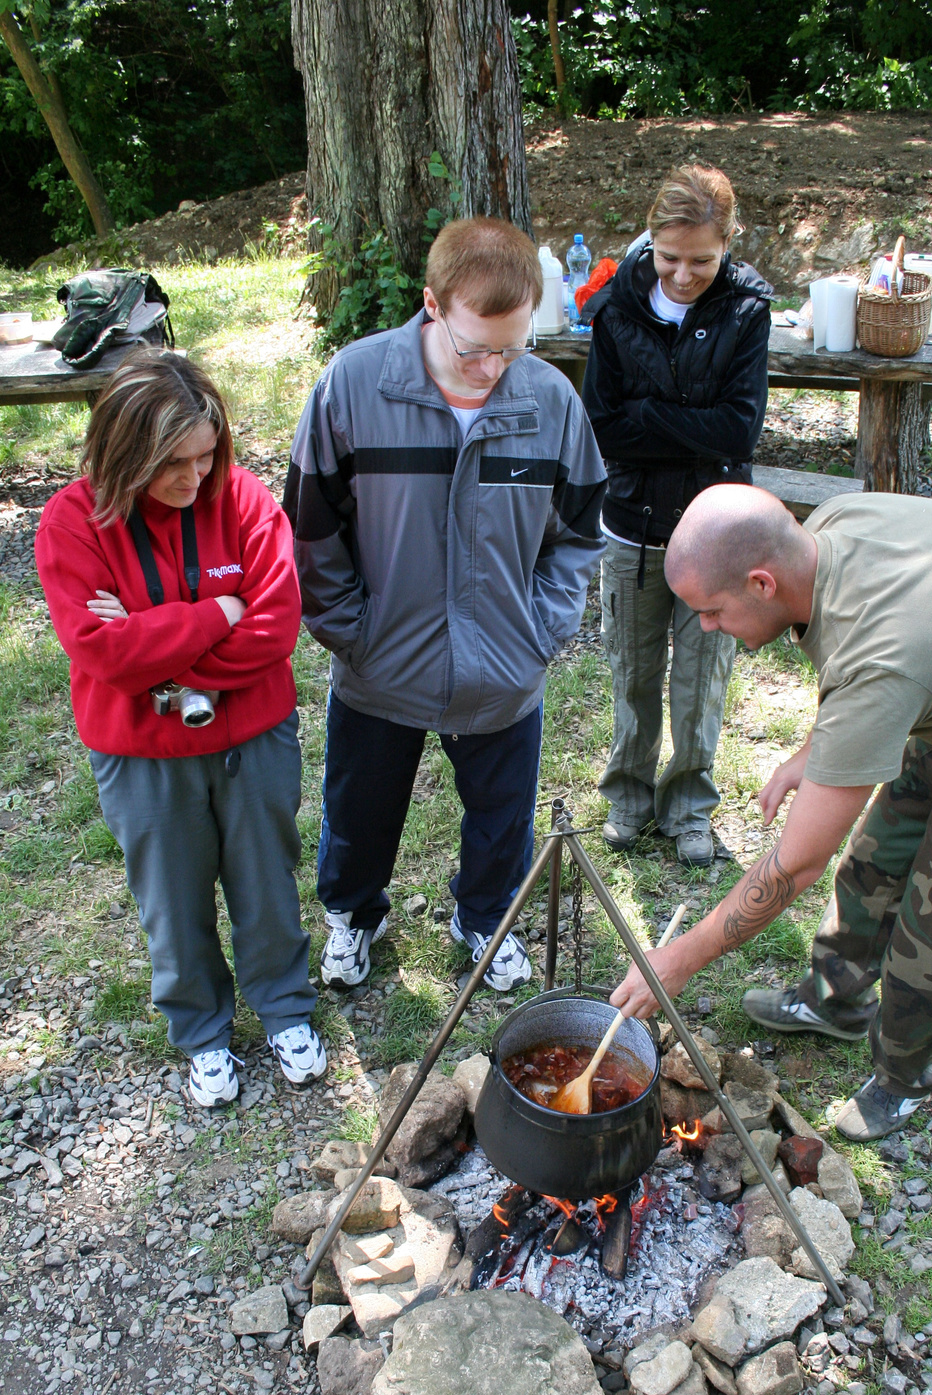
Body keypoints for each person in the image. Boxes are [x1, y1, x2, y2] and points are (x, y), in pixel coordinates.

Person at [610, 483, 932, 1141]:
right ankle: (836, 1001)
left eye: (710, 612)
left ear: (762, 583)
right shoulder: (829, 527)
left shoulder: (884, 665)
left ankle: (905, 1079)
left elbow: (794, 865)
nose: (705, 628)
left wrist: (680, 956)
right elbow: (853, 669)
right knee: (872, 865)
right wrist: (811, 751)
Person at [284, 217, 606, 993]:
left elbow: (578, 533)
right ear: (432, 306)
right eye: (475, 347)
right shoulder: (354, 386)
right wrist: (348, 631)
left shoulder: (551, 402)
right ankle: (354, 918)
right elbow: (310, 525)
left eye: (513, 345)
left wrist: (539, 631)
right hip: (379, 664)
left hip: (503, 668)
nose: (494, 367)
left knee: (503, 822)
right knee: (359, 814)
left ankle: (486, 920)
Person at [36, 350, 324, 1110]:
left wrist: (153, 642)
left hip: (252, 737)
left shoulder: (243, 500)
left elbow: (275, 625)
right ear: (127, 452)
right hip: (140, 752)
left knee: (266, 880)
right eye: (174, 464)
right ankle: (201, 1031)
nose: (195, 479)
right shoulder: (74, 521)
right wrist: (212, 616)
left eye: (206, 456)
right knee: (172, 894)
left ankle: (286, 1010)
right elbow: (97, 649)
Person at [581, 165, 772, 868]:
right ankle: (628, 797)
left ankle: (688, 806)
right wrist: (686, 423)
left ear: (728, 244)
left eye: (702, 259)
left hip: (718, 530)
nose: (684, 274)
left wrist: (649, 416)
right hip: (632, 522)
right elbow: (603, 427)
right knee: (631, 671)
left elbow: (736, 433)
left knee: (700, 679)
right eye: (669, 258)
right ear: (649, 243)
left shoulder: (747, 309)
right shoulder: (614, 306)